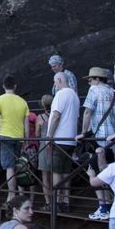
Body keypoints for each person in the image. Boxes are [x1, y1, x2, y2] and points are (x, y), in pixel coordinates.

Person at [78, 67, 115, 219]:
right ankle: (111, 204)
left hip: (99, 138)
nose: (89, 83)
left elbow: (88, 111)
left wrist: (83, 133)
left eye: (90, 80)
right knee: (109, 170)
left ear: (96, 79)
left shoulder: (94, 90)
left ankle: (104, 207)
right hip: (114, 137)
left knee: (96, 170)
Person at [0, 76, 30, 198]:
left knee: (9, 167)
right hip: (19, 138)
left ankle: (12, 195)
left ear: (3, 86)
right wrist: (26, 140)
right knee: (18, 166)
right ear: (15, 86)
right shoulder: (23, 102)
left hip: (5, 136)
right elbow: (27, 125)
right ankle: (21, 195)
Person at [45, 72, 79, 210]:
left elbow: (55, 116)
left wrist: (49, 136)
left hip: (59, 139)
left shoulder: (61, 94)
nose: (54, 85)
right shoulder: (75, 96)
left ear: (59, 80)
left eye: (55, 82)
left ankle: (57, 203)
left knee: (57, 171)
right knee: (65, 171)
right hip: (71, 139)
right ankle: (66, 201)